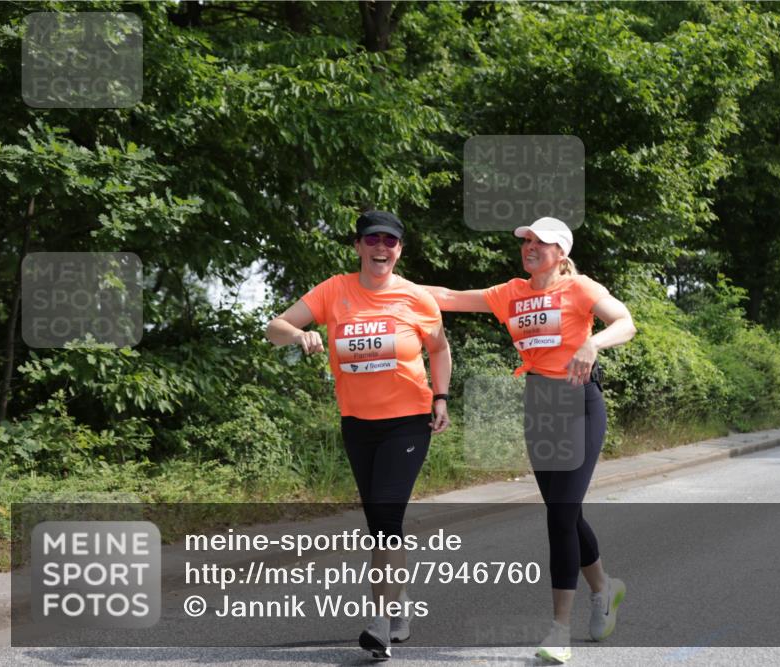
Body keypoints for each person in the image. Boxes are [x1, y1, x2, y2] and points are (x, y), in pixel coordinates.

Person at [423, 217, 636, 664]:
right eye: (527, 241)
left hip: (580, 404)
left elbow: (625, 322)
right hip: (539, 405)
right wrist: (387, 282)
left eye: (541, 242)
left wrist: (592, 344)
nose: (531, 247)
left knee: (560, 515)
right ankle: (604, 588)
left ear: (560, 253)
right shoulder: (510, 293)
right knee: (565, 512)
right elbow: (446, 298)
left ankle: (559, 630)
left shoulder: (579, 289)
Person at [266, 211, 451, 660]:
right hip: (357, 424)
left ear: (399, 250)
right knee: (380, 526)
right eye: (372, 240)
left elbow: (440, 349)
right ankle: (400, 604)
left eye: (390, 241)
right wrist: (299, 335)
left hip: (408, 421)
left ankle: (379, 623)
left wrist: (441, 397)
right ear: (359, 247)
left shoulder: (416, 298)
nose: (381, 248)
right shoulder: (335, 290)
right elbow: (274, 328)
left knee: (386, 521)